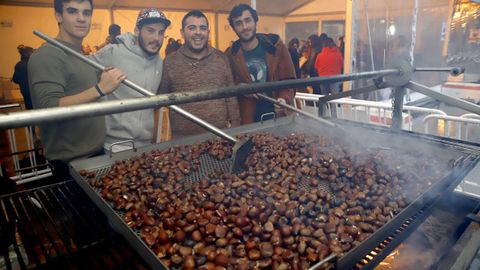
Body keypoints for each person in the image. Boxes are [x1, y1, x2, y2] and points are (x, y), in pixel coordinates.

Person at [28, 0, 125, 180]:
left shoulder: (80, 54)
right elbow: (48, 108)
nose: (81, 18)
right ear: (58, 16)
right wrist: (100, 88)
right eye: (72, 11)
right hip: (71, 165)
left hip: (94, 155)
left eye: (86, 13)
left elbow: (78, 89)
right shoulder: (48, 55)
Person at [91, 8, 170, 152]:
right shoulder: (113, 52)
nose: (156, 38)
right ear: (137, 31)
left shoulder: (159, 61)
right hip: (113, 146)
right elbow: (80, 73)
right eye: (150, 30)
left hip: (145, 144)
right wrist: (99, 89)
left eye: (161, 32)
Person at [158, 10, 239, 139]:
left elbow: (231, 96)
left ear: (208, 32)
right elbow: (161, 99)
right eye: (192, 28)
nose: (198, 32)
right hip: (182, 141)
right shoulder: (170, 62)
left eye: (203, 28)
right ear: (182, 33)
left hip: (219, 137)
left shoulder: (221, 58)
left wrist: (235, 129)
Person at [225, 4, 296, 124]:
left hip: (277, 116)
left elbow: (289, 81)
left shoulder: (276, 47)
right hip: (247, 120)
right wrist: (239, 87)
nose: (245, 27)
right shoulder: (230, 55)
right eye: (238, 23)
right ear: (233, 28)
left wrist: (284, 99)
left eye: (248, 20)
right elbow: (227, 86)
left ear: (255, 21)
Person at [12, 45, 34, 110]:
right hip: (34, 92)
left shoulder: (18, 65)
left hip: (25, 91)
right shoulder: (32, 64)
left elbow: (15, 79)